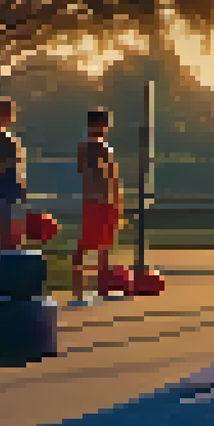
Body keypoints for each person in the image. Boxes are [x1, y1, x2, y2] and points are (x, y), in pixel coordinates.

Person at [73, 109, 125, 305]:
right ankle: (78, 292)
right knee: (85, 245)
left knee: (105, 247)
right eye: (101, 125)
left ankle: (103, 289)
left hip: (106, 203)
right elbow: (90, 173)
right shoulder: (88, 148)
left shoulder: (105, 149)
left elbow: (113, 178)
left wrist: (117, 204)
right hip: (95, 202)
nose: (104, 129)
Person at [0, 98, 28, 258]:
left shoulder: (4, 137)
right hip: (1, 194)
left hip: (8, 193)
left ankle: (1, 269)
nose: (11, 117)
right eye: (8, 113)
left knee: (8, 237)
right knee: (4, 237)